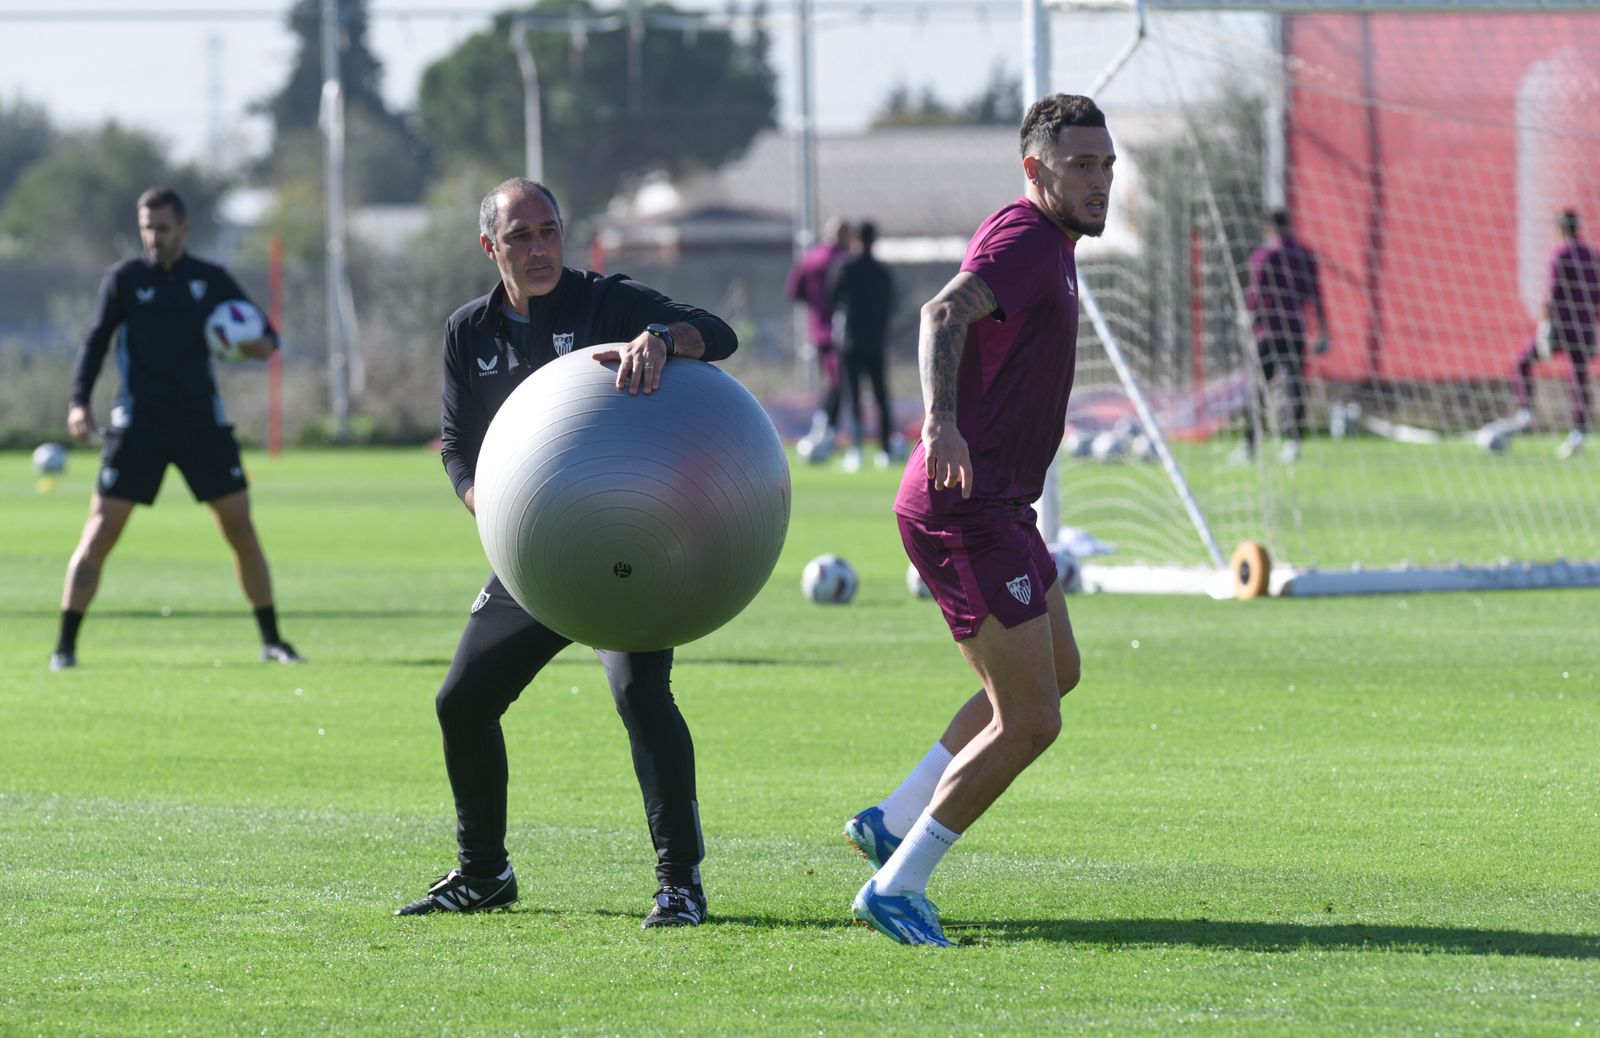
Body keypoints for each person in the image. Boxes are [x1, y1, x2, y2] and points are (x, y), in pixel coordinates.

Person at [396, 178, 738, 928]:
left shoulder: (608, 302)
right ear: (491, 248)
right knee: (462, 701)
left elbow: (718, 332)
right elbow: (457, 447)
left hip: (631, 544)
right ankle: (485, 872)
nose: (539, 247)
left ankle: (680, 884)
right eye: (520, 237)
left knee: (639, 693)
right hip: (537, 556)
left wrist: (662, 339)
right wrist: (488, 506)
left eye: (548, 230)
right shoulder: (468, 331)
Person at [842, 94, 1112, 947]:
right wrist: (939, 421)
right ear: (1036, 170)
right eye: (1080, 166)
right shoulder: (1029, 239)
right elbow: (942, 312)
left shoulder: (1052, 244)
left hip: (999, 505)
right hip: (968, 508)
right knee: (1031, 719)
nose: (1099, 181)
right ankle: (897, 884)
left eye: (1106, 165)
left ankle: (895, 818)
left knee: (1053, 673)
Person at [51, 186, 300, 672]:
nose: (153, 237)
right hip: (138, 423)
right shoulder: (124, 279)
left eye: (162, 228)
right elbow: (96, 342)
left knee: (241, 530)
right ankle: (64, 647)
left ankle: (272, 640)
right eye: (147, 227)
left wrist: (258, 346)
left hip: (200, 423)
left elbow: (266, 337)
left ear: (183, 229)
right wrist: (78, 401)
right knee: (101, 531)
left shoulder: (210, 280)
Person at [1511, 209, 1600, 459]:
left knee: (1522, 361)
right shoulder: (1593, 255)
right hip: (1586, 326)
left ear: (1559, 229)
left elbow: (1552, 293)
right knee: (1579, 377)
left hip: (1561, 326)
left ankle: (1526, 412)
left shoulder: (1559, 255)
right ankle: (1579, 433)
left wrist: (1545, 326)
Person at [1241, 209, 1328, 464]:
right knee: (1294, 384)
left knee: (1258, 387)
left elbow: (1255, 294)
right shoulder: (1304, 255)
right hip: (1295, 328)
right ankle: (1293, 443)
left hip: (1267, 328)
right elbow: (1315, 294)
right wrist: (1323, 330)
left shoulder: (1263, 255)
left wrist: (1249, 318)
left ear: (1267, 228)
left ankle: (1250, 446)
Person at [829, 219, 902, 472]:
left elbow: (832, 299)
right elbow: (892, 306)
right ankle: (885, 450)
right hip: (876, 341)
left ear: (856, 239)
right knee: (882, 396)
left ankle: (856, 451)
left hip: (850, 341)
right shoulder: (882, 272)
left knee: (854, 396)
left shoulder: (845, 267)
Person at [786, 217, 851, 461]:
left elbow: (794, 291)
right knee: (839, 381)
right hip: (842, 330)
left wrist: (816, 306)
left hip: (818, 328)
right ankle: (825, 428)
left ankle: (826, 428)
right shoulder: (844, 260)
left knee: (835, 380)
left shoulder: (810, 258)